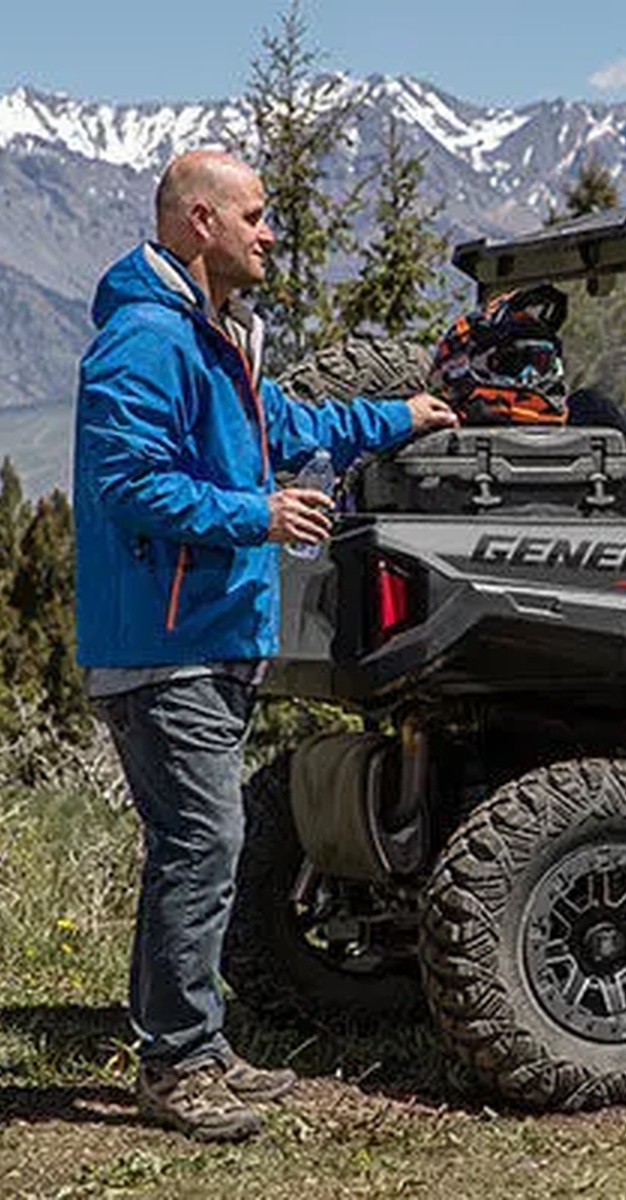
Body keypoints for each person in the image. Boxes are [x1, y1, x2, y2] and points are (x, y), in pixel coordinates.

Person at [73, 150, 458, 1141]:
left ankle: (196, 1049)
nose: (269, 233)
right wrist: (258, 514)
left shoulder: (219, 337)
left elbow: (290, 424)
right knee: (200, 849)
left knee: (198, 850)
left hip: (208, 639)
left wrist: (401, 415)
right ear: (200, 221)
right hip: (164, 649)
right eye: (253, 215)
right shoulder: (147, 339)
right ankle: (174, 1066)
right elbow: (128, 483)